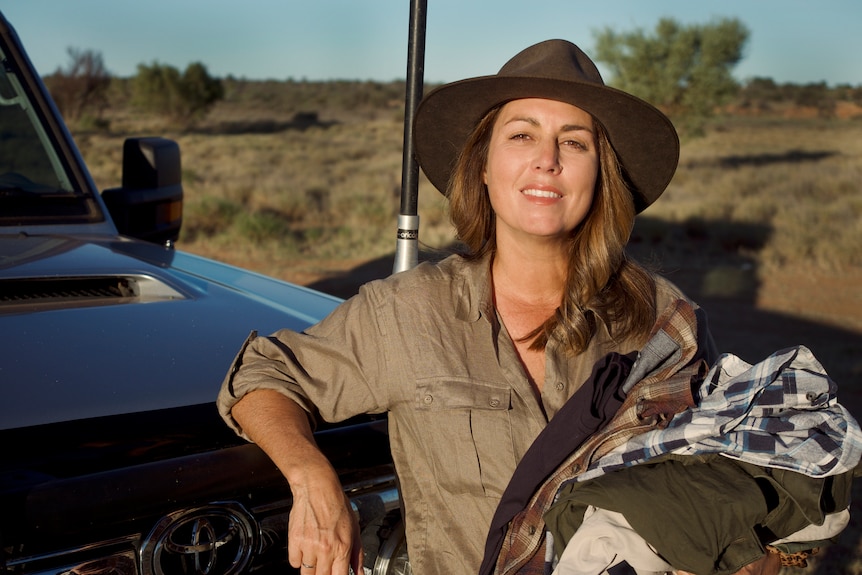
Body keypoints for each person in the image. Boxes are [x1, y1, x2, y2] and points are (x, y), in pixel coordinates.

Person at [217, 39, 780, 575]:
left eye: (575, 142)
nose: (547, 161)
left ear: (601, 177)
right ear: (482, 167)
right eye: (521, 136)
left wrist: (757, 553)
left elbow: (727, 472)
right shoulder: (409, 312)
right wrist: (312, 477)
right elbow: (263, 376)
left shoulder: (661, 318)